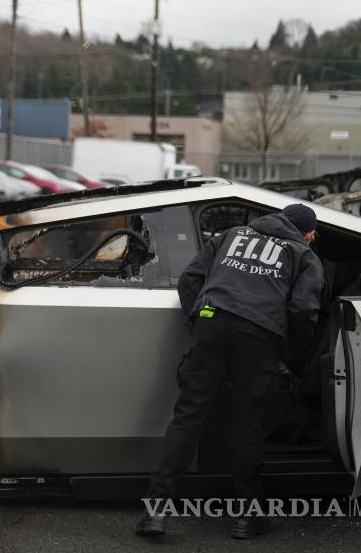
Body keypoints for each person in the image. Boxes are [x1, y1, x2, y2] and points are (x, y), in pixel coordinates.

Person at [135, 204, 323, 539]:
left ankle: (155, 513)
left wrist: (199, 321)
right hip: (259, 337)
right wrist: (290, 356)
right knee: (247, 425)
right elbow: (304, 311)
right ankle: (247, 518)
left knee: (188, 418)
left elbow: (190, 279)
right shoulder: (304, 255)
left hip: (212, 322)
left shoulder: (231, 235)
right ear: (308, 234)